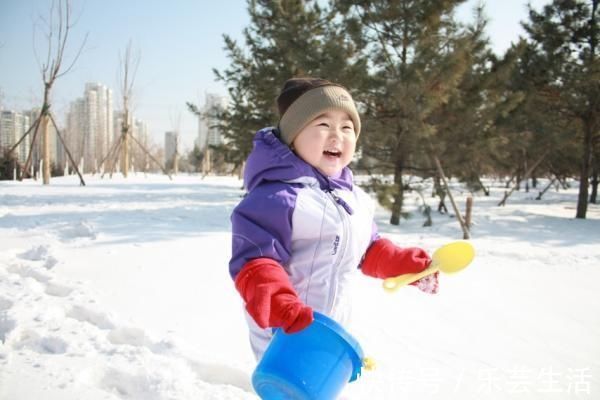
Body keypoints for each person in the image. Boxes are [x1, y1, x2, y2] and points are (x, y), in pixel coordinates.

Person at [229, 77, 439, 360]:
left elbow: (367, 248)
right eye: (323, 125)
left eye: (347, 127)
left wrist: (402, 264)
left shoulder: (355, 199)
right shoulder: (277, 198)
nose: (336, 135)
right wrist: (279, 302)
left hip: (330, 331)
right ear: (293, 136)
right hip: (284, 330)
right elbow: (256, 262)